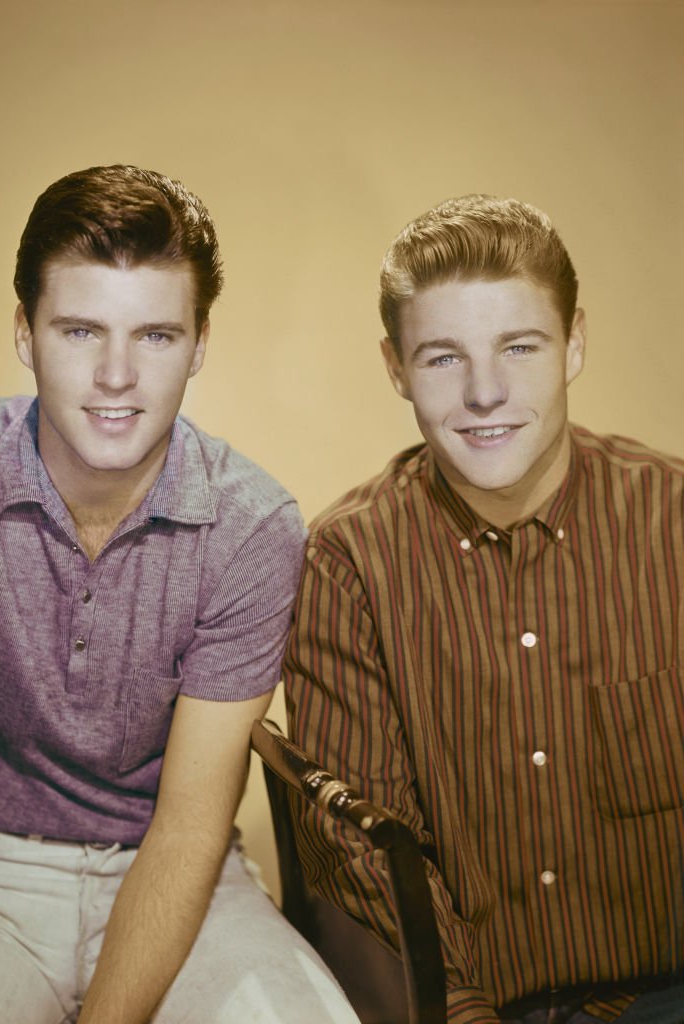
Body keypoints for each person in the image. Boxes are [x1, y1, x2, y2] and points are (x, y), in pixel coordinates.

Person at [0, 164, 360, 1024]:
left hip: (187, 872)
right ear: (25, 334)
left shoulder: (252, 524)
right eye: (79, 331)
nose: (115, 375)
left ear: (200, 342)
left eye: (154, 337)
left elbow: (187, 827)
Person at [283, 195, 684, 1024]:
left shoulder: (674, 521)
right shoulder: (348, 565)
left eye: (520, 346)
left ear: (573, 344)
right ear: (396, 367)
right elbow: (367, 856)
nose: (485, 393)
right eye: (442, 359)